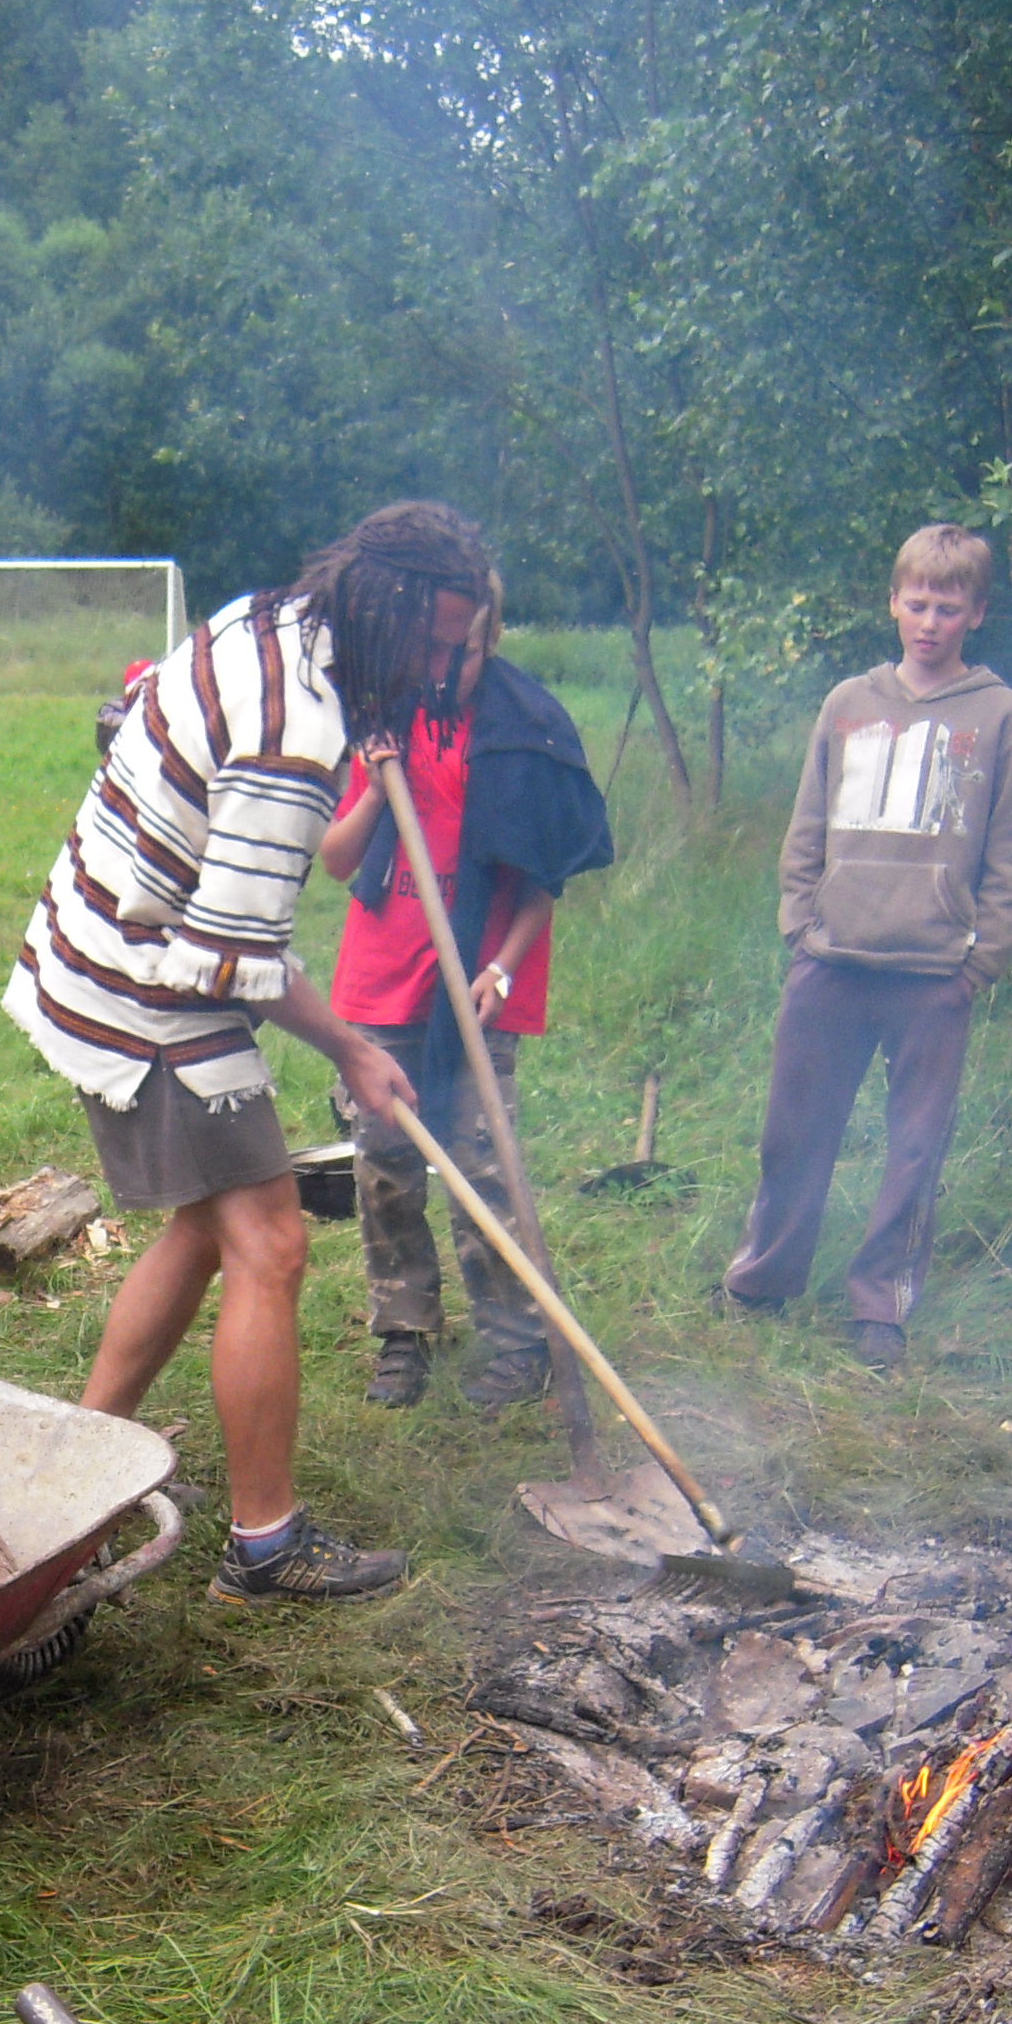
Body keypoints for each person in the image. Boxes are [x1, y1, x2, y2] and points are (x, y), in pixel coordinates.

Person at [3, 500, 494, 1605]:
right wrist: (355, 1050)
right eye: (431, 645)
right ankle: (265, 1546)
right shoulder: (295, 732)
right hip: (150, 983)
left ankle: (76, 1479)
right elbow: (234, 964)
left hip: (105, 943)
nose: (436, 672)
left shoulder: (273, 619)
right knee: (270, 1241)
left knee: (208, 1224)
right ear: (382, 608)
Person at [722, 522, 1012, 1371]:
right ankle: (765, 1277)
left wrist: (981, 960)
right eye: (918, 603)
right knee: (794, 1129)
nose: (930, 621)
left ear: (977, 614)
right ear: (893, 602)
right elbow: (808, 821)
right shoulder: (848, 702)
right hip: (831, 960)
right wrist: (801, 923)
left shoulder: (1002, 717)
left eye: (949, 607)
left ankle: (880, 1306)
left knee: (913, 1148)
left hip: (935, 974)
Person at [315, 572, 612, 1411]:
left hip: (479, 987)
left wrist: (503, 967)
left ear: (492, 638)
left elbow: (541, 879)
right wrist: (379, 787)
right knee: (386, 1162)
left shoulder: (520, 735)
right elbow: (336, 860)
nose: (448, 669)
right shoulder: (387, 722)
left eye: (468, 651)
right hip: (382, 983)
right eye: (436, 649)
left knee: (483, 1164)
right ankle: (403, 1332)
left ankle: (517, 1342)